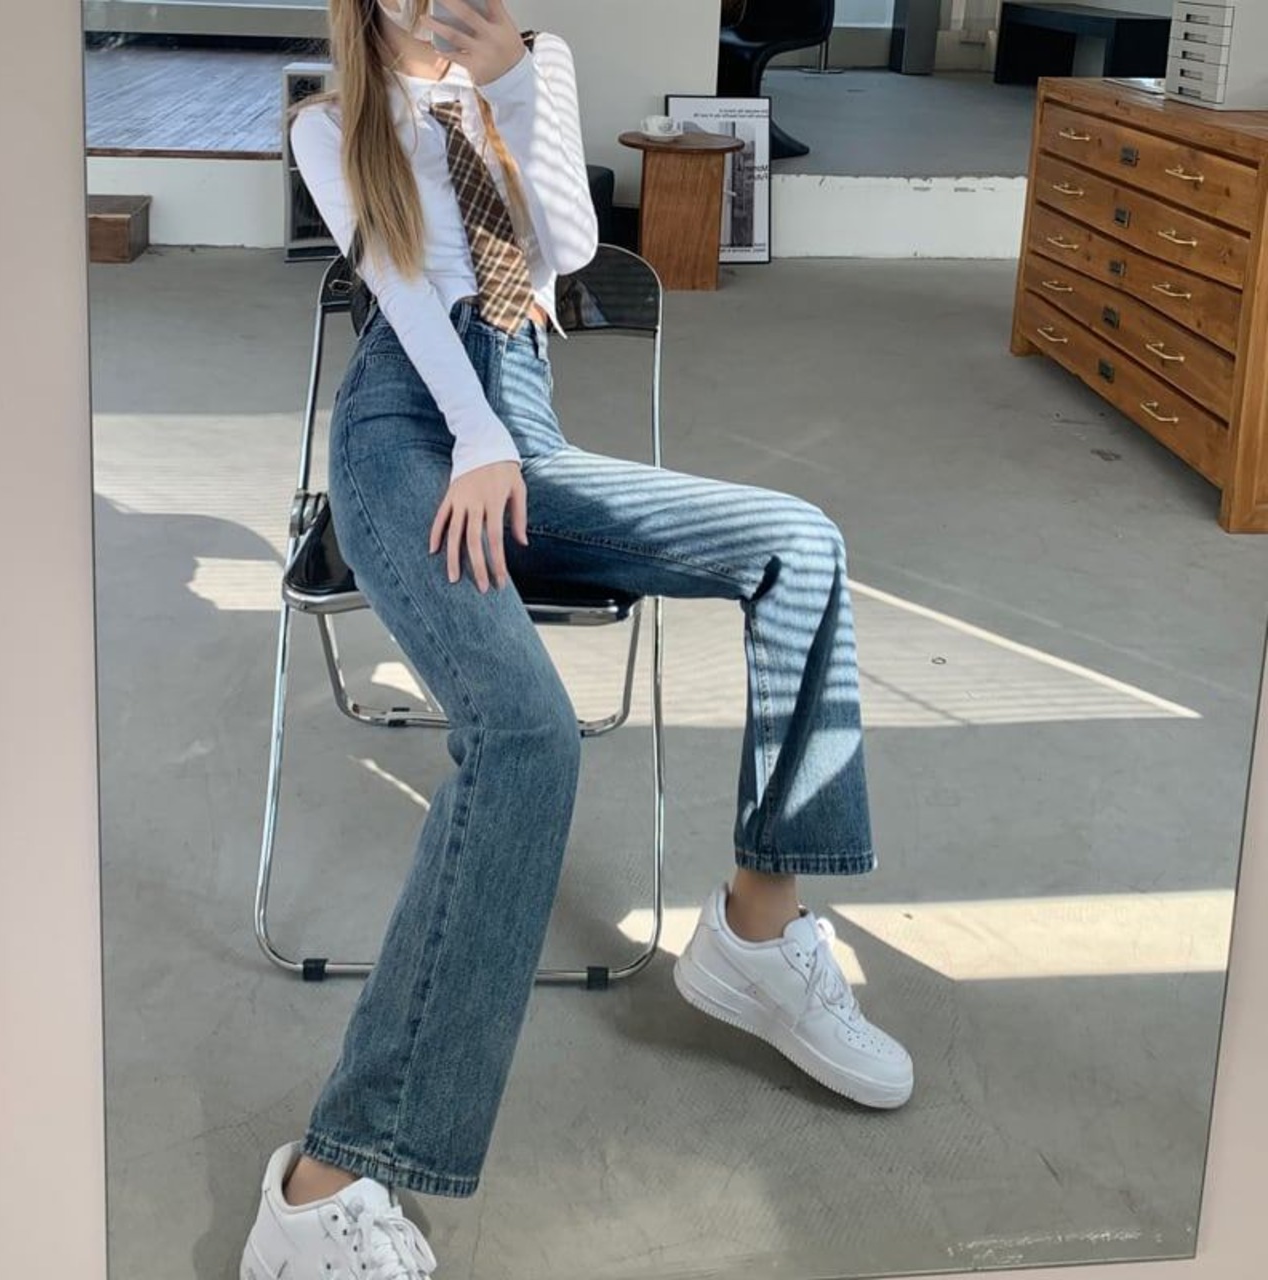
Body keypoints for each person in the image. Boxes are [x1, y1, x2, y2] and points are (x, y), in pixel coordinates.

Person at [241, 2, 913, 1276]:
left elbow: (566, 249)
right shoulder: (332, 125)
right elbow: (407, 301)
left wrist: (522, 85)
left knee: (800, 540)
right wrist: (475, 440)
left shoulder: (521, 74)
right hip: (407, 434)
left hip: (527, 431)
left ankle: (756, 936)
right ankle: (323, 1186)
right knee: (526, 734)